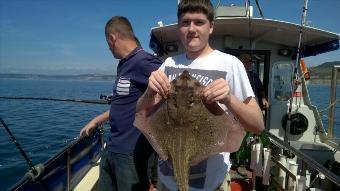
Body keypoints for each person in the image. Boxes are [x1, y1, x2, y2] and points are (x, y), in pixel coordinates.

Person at [135, 0, 264, 190]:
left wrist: (229, 98)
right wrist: (149, 91)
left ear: (211, 27)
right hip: (166, 181)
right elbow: (140, 114)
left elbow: (258, 125)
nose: (191, 29)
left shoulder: (230, 64)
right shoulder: (169, 63)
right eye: (185, 22)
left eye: (199, 22)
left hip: (211, 184)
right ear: (179, 27)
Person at [80, 16, 162, 191]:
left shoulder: (145, 62)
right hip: (112, 148)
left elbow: (170, 94)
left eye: (107, 42)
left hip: (132, 155)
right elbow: (122, 105)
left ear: (112, 38)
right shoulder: (123, 65)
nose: (108, 48)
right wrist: (97, 120)